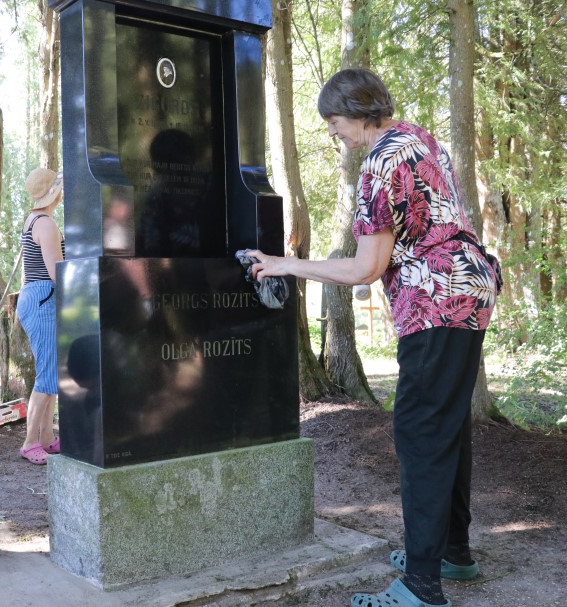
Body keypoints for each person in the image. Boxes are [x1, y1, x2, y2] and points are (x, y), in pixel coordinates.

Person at [247, 68, 499, 607]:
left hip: (437, 298)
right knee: (445, 425)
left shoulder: (378, 165)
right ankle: (451, 553)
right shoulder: (418, 139)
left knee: (420, 433)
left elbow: (365, 267)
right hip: (470, 286)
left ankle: (422, 586)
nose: (333, 132)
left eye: (334, 122)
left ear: (358, 113)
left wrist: (287, 265)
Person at [17, 167, 64, 465]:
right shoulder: (45, 224)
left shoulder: (33, 218)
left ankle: (46, 438)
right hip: (44, 297)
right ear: (54, 193)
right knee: (47, 375)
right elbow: (58, 271)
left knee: (51, 374)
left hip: (35, 296)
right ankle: (30, 441)